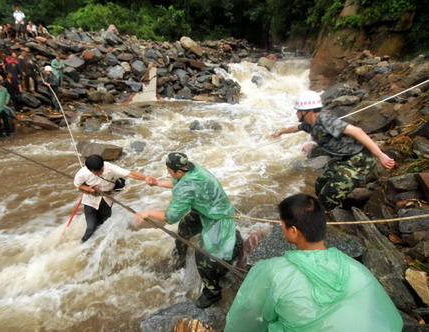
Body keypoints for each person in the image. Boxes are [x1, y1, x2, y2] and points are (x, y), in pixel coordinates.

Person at [224, 193, 403, 331]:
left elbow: (243, 321)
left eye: (282, 225)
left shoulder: (273, 272)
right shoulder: (356, 267)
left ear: (293, 231)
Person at [135, 152, 243, 308]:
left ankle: (213, 292)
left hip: (218, 216)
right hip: (204, 210)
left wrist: (147, 213)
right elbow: (178, 182)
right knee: (184, 228)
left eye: (169, 170)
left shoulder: (187, 186)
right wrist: (157, 184)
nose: (167, 173)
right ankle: (181, 257)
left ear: (178, 171)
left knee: (204, 255)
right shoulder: (191, 169)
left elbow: (170, 216)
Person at [271, 91, 395, 211]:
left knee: (329, 196)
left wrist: (380, 155)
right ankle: (333, 206)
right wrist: (280, 132)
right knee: (320, 184)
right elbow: (295, 128)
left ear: (308, 111)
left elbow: (357, 131)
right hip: (342, 159)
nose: (297, 113)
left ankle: (325, 213)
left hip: (359, 159)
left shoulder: (326, 121)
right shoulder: (310, 123)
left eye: (298, 110)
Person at [74, 154, 148, 243]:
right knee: (91, 227)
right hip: (90, 201)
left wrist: (147, 178)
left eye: (101, 170)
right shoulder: (83, 173)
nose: (99, 173)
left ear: (103, 165)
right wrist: (88, 189)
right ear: (90, 170)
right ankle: (82, 245)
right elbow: (78, 185)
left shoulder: (112, 169)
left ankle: (95, 245)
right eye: (96, 173)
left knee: (103, 226)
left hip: (107, 201)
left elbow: (131, 174)